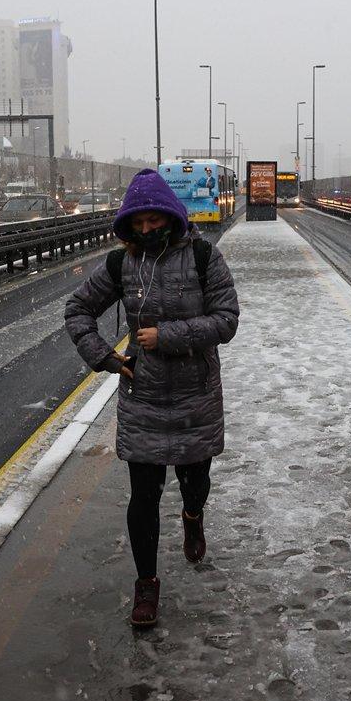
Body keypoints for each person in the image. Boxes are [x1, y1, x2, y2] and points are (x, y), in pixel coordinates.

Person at [64, 168, 240, 628]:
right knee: (142, 496)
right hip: (141, 397)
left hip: (195, 397)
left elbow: (226, 321)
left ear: (171, 216)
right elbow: (77, 309)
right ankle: (146, 588)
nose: (147, 230)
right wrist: (103, 356)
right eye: (137, 224)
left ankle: (193, 514)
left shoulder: (204, 257)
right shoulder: (120, 265)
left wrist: (167, 336)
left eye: (154, 220)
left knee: (194, 480)